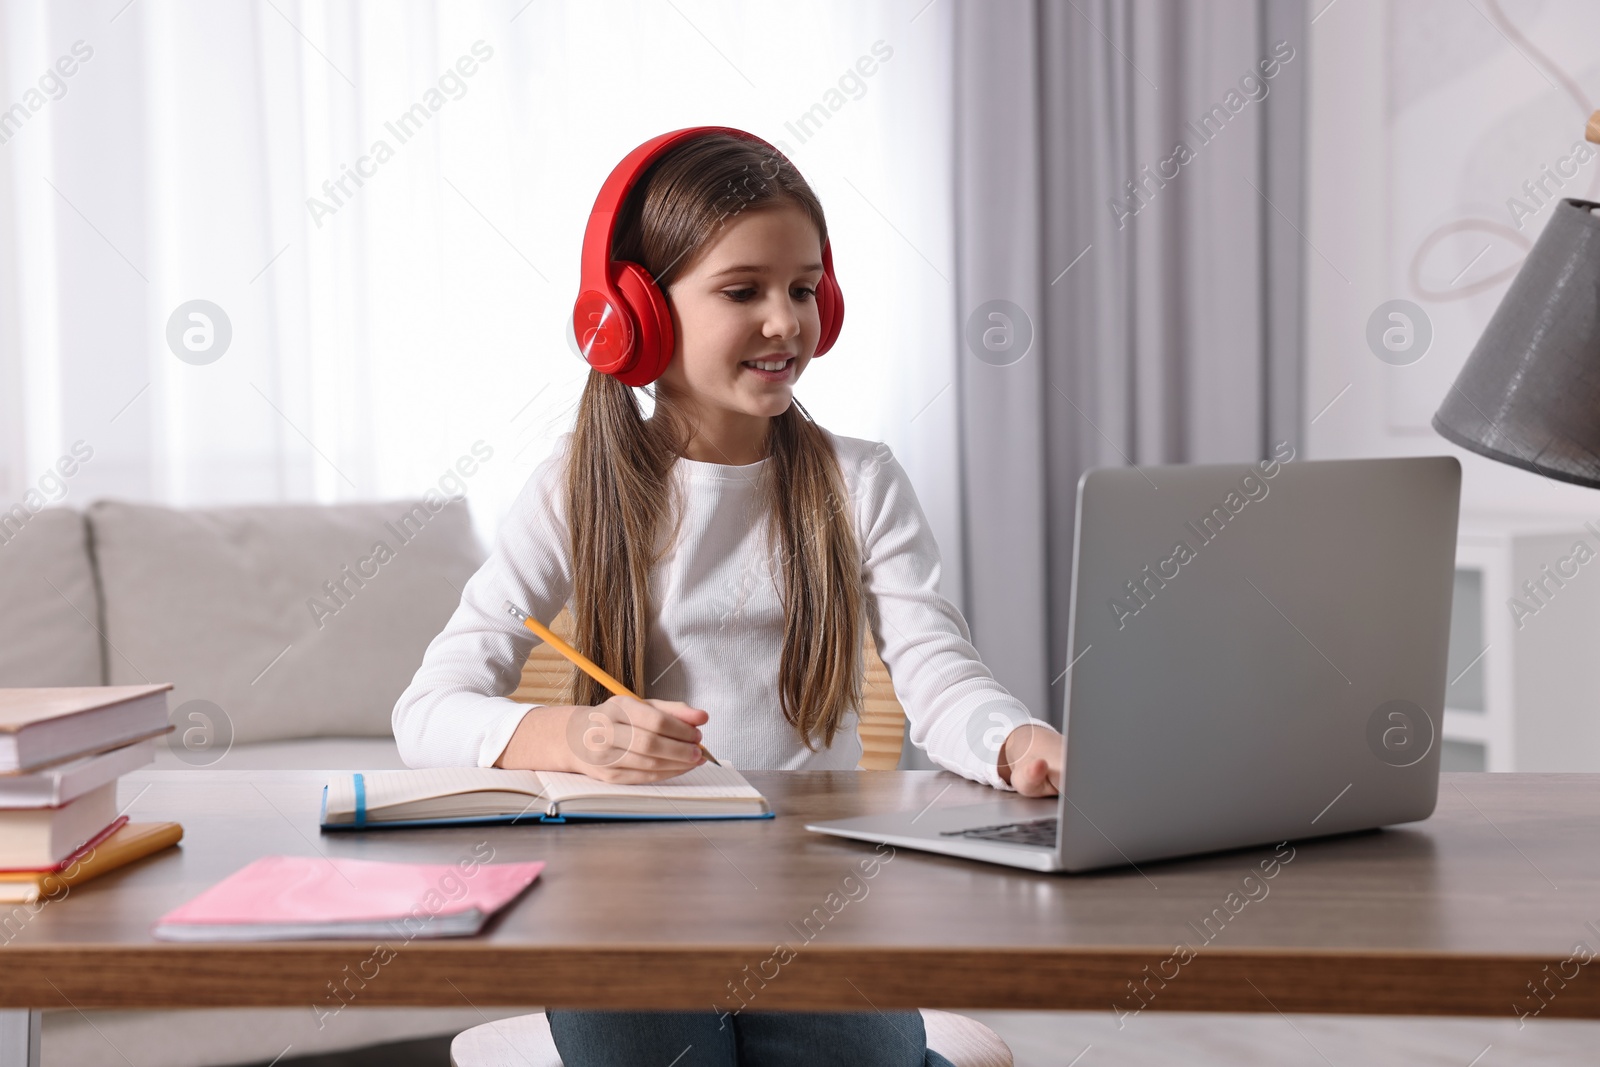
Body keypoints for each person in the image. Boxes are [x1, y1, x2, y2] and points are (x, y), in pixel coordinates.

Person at [392, 128, 1065, 1067]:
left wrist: (1013, 739)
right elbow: (425, 711)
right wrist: (573, 738)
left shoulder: (859, 481)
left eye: (803, 287)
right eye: (743, 291)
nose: (786, 322)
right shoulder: (572, 488)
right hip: (623, 898)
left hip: (808, 887)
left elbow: (941, 678)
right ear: (637, 316)